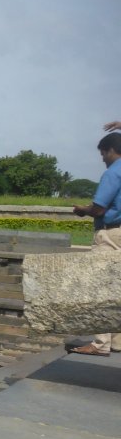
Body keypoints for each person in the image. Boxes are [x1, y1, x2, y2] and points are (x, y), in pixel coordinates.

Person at [67, 131, 121, 355]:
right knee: (117, 288)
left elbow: (99, 208)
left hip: (109, 234)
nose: (102, 158)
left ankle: (100, 344)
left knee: (100, 287)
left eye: (103, 153)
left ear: (110, 150)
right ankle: (117, 341)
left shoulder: (113, 173)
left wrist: (83, 210)